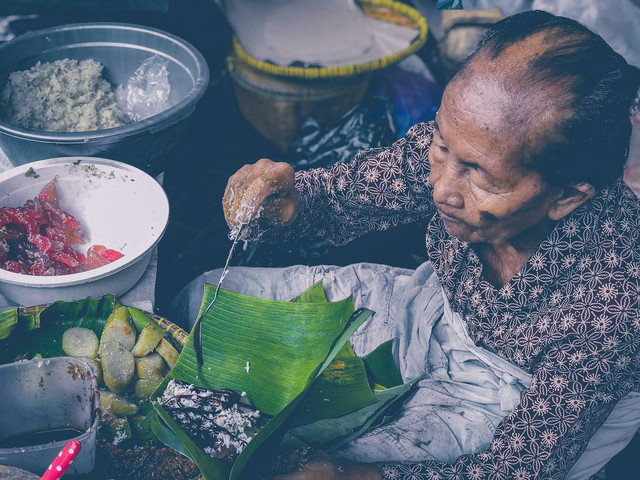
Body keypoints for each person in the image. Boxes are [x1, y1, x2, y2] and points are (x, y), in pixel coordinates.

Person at [174, 10, 640, 480]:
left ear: (566, 195)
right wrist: (290, 201)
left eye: (481, 178)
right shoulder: (468, 143)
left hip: (515, 397)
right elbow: (342, 196)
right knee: (202, 300)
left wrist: (344, 475)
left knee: (300, 447)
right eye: (440, 145)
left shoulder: (613, 303)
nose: (441, 188)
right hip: (438, 314)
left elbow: (513, 469)